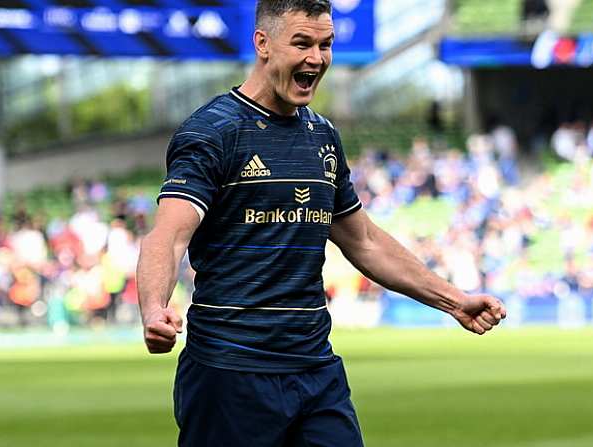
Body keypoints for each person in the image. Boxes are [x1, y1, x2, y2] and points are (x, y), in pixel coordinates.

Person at [136, 1, 507, 446]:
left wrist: (453, 300)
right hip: (231, 371)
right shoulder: (213, 131)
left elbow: (364, 241)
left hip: (315, 370)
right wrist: (153, 307)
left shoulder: (322, 136)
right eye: (302, 43)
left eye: (325, 44)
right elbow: (168, 235)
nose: (316, 57)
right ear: (263, 45)